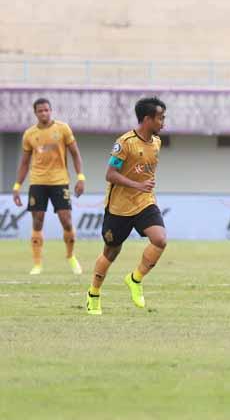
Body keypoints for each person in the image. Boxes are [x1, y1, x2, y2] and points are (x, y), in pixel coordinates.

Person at [87, 97, 168, 315]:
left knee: (160, 240)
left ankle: (135, 279)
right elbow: (110, 174)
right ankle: (94, 294)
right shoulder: (125, 143)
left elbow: (146, 172)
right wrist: (137, 184)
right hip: (118, 208)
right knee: (111, 253)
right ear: (147, 119)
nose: (163, 122)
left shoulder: (157, 143)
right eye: (160, 118)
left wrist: (145, 188)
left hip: (144, 203)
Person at [12, 98, 86, 275]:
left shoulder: (62, 129)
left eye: (46, 110)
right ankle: (37, 264)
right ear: (35, 113)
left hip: (60, 181)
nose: (44, 113)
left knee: (66, 220)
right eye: (40, 111)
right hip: (37, 181)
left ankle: (71, 256)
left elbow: (76, 154)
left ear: (51, 111)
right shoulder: (29, 134)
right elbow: (24, 163)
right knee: (37, 221)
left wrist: (81, 177)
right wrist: (17, 186)